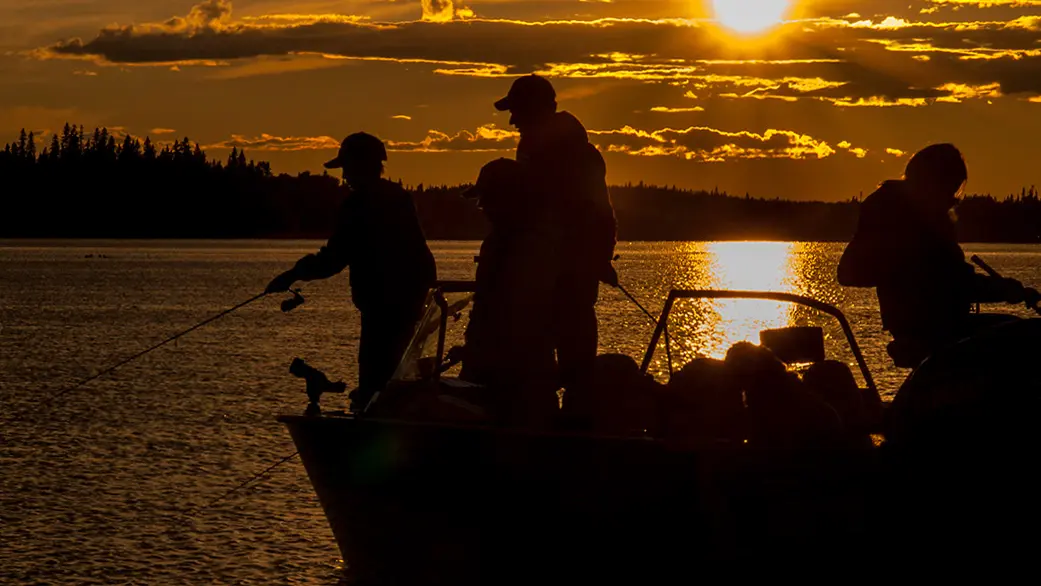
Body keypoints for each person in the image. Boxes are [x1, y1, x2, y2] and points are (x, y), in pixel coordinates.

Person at [266, 132, 437, 410]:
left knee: (376, 380)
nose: (344, 176)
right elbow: (421, 258)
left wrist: (292, 274)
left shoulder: (359, 204)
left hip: (383, 310)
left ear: (362, 165)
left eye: (347, 168)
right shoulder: (399, 197)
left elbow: (334, 258)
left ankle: (376, 420)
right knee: (400, 379)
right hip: (411, 306)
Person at [837, 143, 1039, 368]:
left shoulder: (891, 210)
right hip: (934, 332)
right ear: (935, 182)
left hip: (922, 327)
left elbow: (953, 279)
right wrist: (1007, 289)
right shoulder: (918, 221)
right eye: (950, 188)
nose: (951, 198)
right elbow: (955, 282)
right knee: (1025, 335)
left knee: (1014, 328)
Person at [493, 74, 619, 422]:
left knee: (571, 362)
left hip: (564, 277)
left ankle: (572, 429)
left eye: (517, 111)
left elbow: (597, 213)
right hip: (544, 275)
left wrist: (596, 259)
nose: (512, 120)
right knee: (539, 362)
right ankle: (551, 421)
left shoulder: (571, 156)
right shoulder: (542, 151)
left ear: (536, 110)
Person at [456, 158, 560, 426]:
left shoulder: (531, 245)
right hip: (494, 368)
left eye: (489, 200)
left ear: (512, 199)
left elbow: (518, 314)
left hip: (518, 378)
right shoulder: (498, 241)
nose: (483, 208)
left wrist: (480, 352)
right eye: (482, 201)